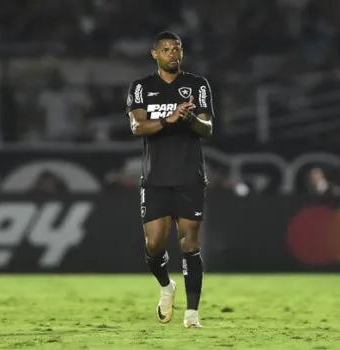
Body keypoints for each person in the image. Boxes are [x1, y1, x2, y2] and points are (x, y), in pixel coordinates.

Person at [125, 31, 214, 328]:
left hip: (189, 175)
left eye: (176, 49)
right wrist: (169, 119)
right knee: (154, 244)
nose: (172, 54)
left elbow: (208, 128)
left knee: (189, 242)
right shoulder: (141, 87)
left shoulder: (197, 85)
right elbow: (137, 127)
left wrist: (191, 120)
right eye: (166, 49)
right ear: (155, 55)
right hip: (155, 178)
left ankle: (192, 314)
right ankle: (166, 285)